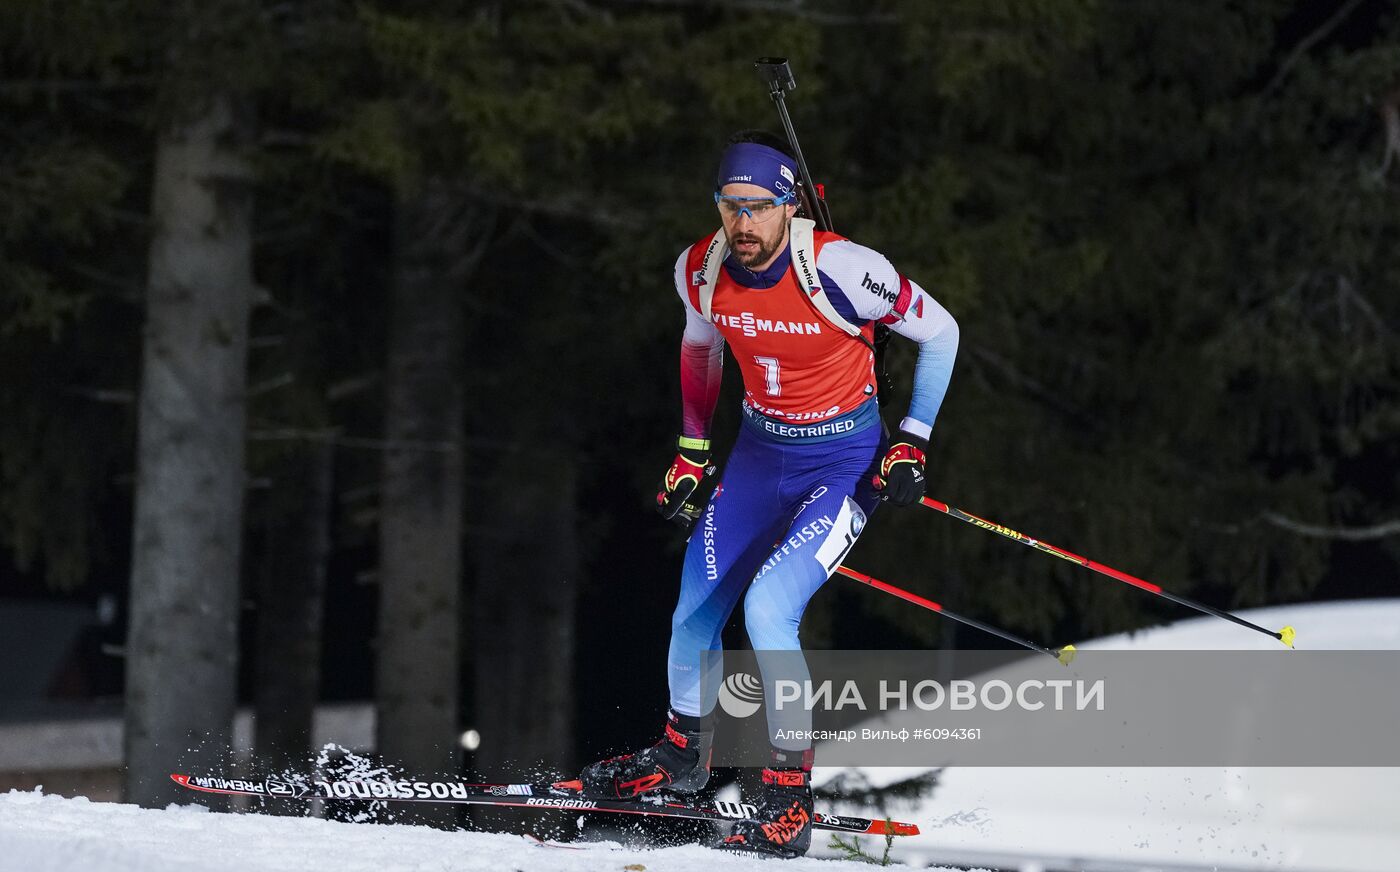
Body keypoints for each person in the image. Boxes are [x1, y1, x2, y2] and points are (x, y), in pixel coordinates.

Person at [578, 130, 960, 858]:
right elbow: (701, 347)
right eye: (730, 206)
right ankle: (682, 756)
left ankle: (789, 796)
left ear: (789, 207)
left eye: (757, 208)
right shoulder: (701, 267)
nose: (742, 224)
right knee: (693, 614)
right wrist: (693, 450)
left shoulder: (844, 268)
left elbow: (941, 333)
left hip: (843, 463)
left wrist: (911, 438)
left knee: (768, 609)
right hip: (758, 457)